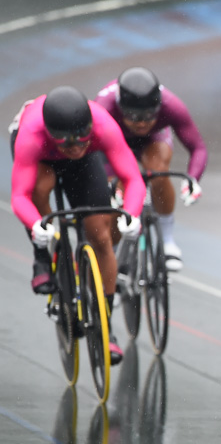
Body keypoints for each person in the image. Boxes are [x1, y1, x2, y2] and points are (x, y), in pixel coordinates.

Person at [9, 85, 144, 365]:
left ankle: (105, 327)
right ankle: (45, 256)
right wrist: (36, 225)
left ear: (89, 129)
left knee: (101, 236)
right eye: (67, 144)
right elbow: (19, 196)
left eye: (80, 141)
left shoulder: (104, 126)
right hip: (42, 157)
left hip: (78, 161)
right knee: (40, 189)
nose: (74, 148)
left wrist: (132, 214)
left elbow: (132, 179)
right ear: (52, 135)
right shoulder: (31, 136)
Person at [96, 67, 207, 272]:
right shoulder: (104, 108)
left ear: (159, 107)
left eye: (149, 116)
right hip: (115, 143)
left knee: (159, 172)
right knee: (117, 189)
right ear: (120, 108)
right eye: (134, 117)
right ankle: (115, 249)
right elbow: (92, 153)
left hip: (153, 141)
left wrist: (192, 179)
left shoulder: (172, 105)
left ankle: (167, 240)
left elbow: (198, 148)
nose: (142, 124)